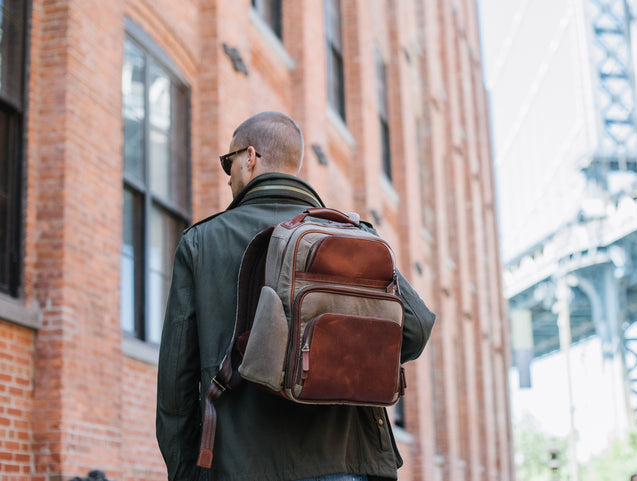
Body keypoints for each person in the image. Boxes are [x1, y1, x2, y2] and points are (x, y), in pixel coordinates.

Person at [156, 111, 436, 481]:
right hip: (345, 465)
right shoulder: (351, 236)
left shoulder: (202, 242)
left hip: (238, 466)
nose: (228, 179)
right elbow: (414, 330)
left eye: (229, 163)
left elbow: (176, 386)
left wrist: (186, 472)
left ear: (250, 158)